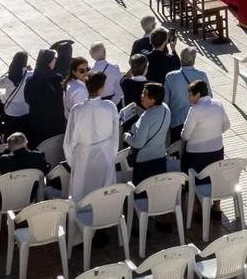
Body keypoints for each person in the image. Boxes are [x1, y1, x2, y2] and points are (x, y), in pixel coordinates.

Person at [65, 70, 119, 200]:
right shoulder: (110, 107)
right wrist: (112, 154)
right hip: (105, 153)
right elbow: (115, 134)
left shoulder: (77, 110)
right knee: (105, 194)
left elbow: (69, 141)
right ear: (101, 89)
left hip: (83, 156)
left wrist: (73, 162)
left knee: (82, 193)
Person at [179, 80, 229, 175]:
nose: (188, 97)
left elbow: (185, 136)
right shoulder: (218, 104)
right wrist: (214, 133)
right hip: (217, 151)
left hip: (197, 154)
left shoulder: (194, 110)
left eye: (190, 94)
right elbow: (227, 125)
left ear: (197, 95)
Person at [122, 84, 170, 183]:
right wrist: (139, 111)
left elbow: (138, 143)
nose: (141, 96)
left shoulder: (146, 117)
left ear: (153, 99)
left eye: (144, 94)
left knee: (141, 194)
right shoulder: (165, 108)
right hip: (160, 158)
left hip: (145, 162)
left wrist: (126, 137)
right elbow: (154, 120)